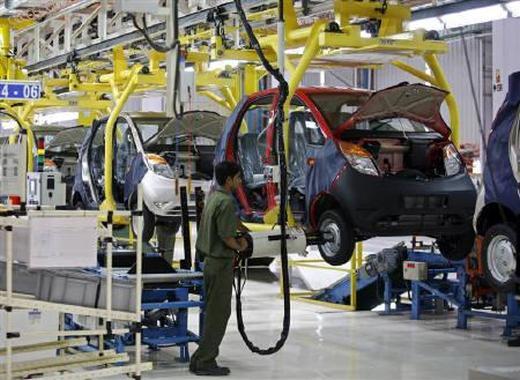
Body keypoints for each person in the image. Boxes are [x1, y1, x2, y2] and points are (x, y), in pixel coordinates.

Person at [189, 161, 249, 376]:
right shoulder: (227, 202)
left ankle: (198, 358)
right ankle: (205, 360)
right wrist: (241, 246)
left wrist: (242, 227)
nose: (240, 182)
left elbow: (227, 224)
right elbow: (226, 237)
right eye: (238, 178)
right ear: (229, 180)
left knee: (213, 311)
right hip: (220, 263)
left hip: (209, 263)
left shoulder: (213, 197)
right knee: (219, 314)